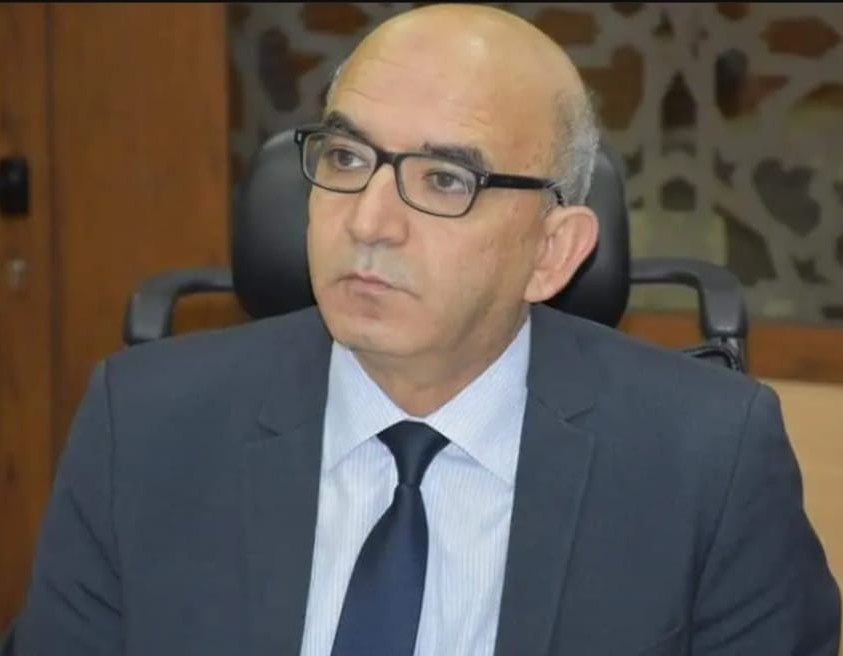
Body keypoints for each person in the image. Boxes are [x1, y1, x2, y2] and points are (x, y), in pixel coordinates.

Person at [11, 4, 840, 655]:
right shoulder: (145, 425)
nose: (368, 222)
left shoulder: (708, 460)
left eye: (445, 179)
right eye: (345, 159)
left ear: (552, 252)